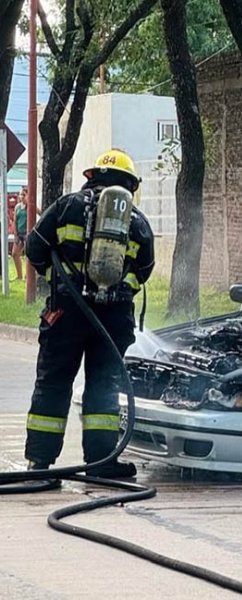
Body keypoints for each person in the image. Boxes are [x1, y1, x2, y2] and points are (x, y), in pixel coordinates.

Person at [24, 149, 155, 479]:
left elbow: (34, 247)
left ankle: (39, 464)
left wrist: (58, 279)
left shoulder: (67, 206)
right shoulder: (136, 221)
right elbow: (144, 270)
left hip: (65, 313)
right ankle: (101, 463)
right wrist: (118, 290)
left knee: (53, 383)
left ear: (92, 176)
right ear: (130, 184)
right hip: (111, 320)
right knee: (104, 386)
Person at [12, 187, 28, 280]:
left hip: (27, 233)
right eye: (20, 194)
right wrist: (15, 234)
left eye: (23, 194)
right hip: (19, 233)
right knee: (15, 254)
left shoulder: (30, 206)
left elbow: (40, 212)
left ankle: (28, 276)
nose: (21, 196)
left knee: (28, 256)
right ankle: (19, 276)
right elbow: (15, 221)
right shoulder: (17, 206)